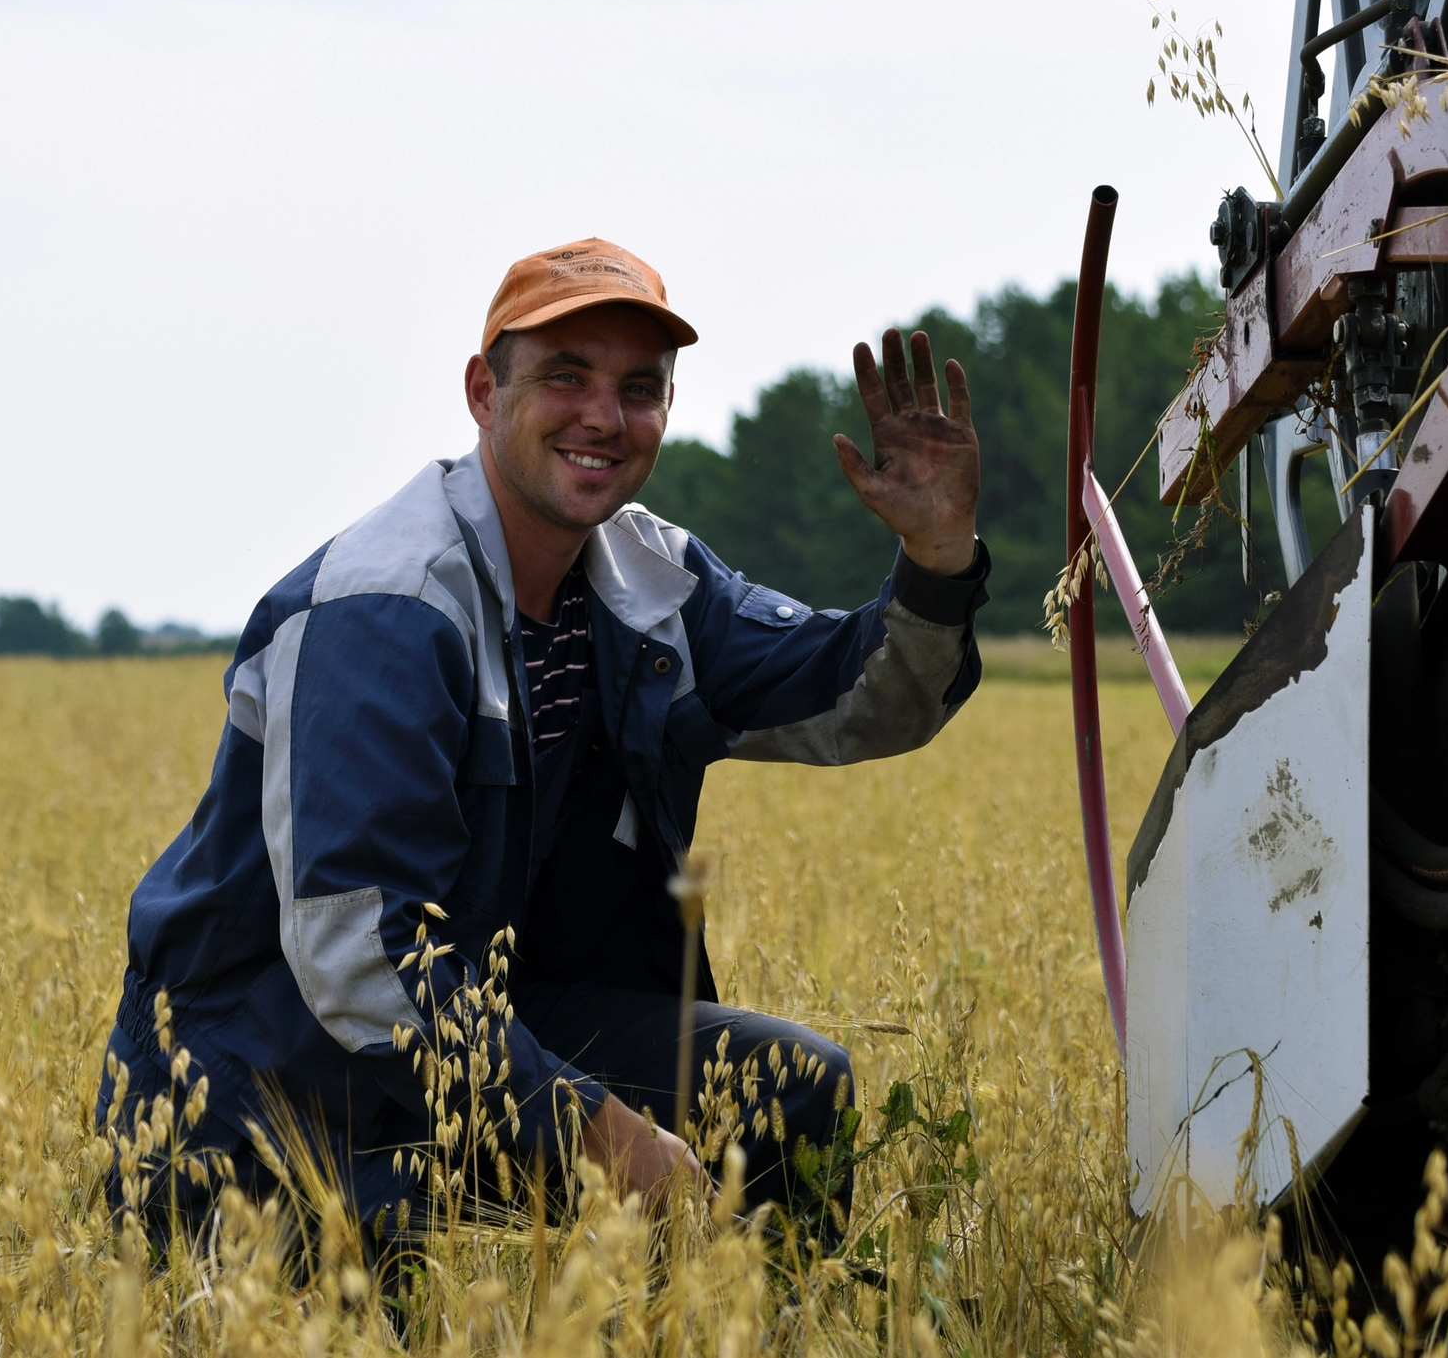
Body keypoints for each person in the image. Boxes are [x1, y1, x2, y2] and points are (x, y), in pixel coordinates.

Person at [97, 237, 988, 1246]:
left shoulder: (651, 585)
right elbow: (358, 954)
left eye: (640, 388)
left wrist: (934, 556)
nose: (605, 417)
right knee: (397, 1280)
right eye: (566, 376)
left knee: (787, 1088)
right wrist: (594, 1131)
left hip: (484, 1046)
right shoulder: (384, 607)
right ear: (484, 392)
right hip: (269, 1089)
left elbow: (863, 701)